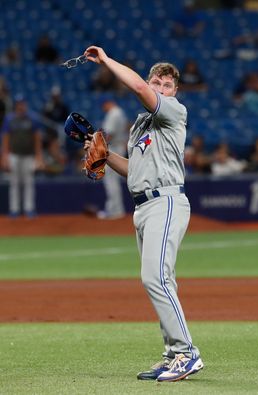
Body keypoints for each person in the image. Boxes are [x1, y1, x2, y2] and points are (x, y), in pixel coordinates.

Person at [83, 45, 204, 382]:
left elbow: (137, 88)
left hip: (166, 201)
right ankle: (172, 354)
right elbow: (132, 169)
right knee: (161, 280)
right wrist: (104, 155)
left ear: (174, 92)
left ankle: (186, 353)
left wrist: (106, 61)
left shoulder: (173, 112)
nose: (161, 88)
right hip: (143, 205)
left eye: (167, 85)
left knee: (156, 278)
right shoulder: (141, 126)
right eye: (157, 82)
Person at [1, 95, 44, 217]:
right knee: (14, 183)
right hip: (13, 155)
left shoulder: (32, 118)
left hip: (28, 155)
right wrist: (4, 156)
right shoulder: (10, 119)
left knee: (28, 182)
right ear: (16, 105)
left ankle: (29, 209)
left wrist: (38, 156)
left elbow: (37, 138)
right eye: (19, 103)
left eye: (23, 103)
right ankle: (14, 210)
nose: (21, 106)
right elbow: (5, 138)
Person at [94, 94, 128, 219]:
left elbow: (109, 135)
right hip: (118, 147)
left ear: (107, 103)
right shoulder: (119, 112)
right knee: (114, 181)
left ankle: (114, 210)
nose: (103, 108)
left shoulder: (114, 113)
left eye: (103, 105)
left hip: (113, 148)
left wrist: (98, 148)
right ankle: (116, 209)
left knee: (110, 181)